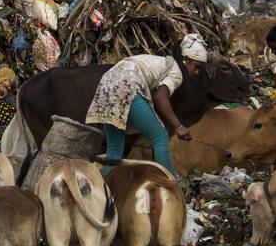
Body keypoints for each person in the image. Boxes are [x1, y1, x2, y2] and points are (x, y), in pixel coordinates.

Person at [86, 33, 207, 176]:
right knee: (160, 137)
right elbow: (161, 97)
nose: (197, 72)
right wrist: (178, 127)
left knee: (115, 146)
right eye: (197, 66)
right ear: (185, 60)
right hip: (126, 85)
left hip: (106, 83)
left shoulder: (162, 62)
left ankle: (109, 190)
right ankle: (171, 184)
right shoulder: (177, 71)